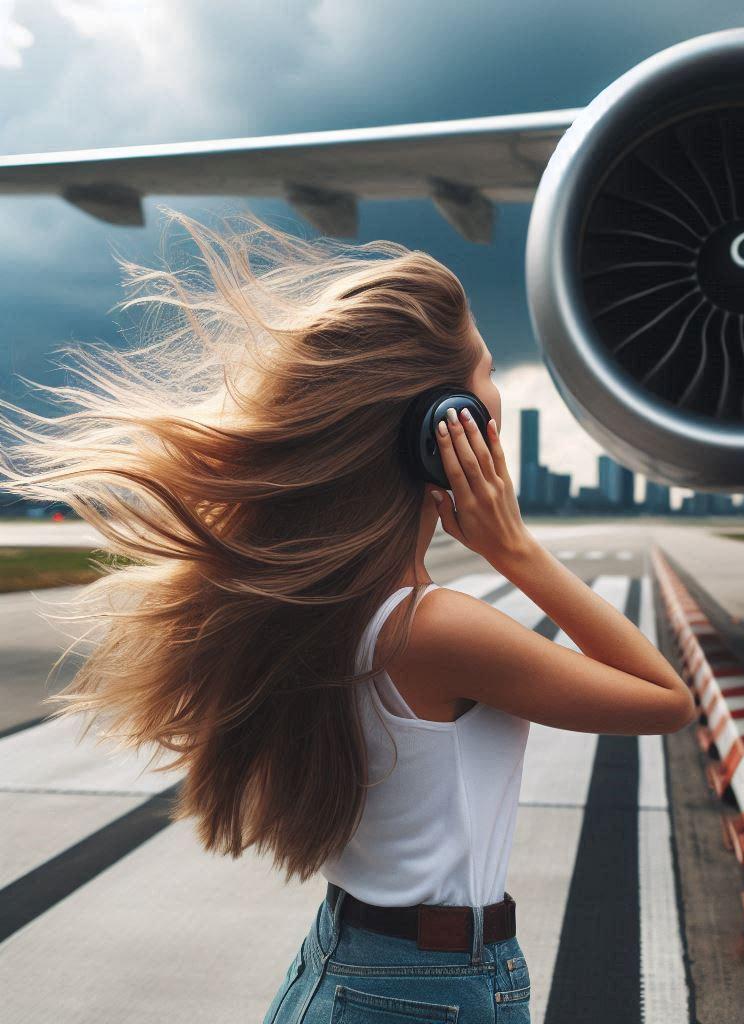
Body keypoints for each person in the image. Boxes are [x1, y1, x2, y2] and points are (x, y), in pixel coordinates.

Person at [0, 209, 695, 1023]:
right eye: (484, 367)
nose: (497, 390)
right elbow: (665, 699)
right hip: (423, 990)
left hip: (365, 969)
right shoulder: (435, 629)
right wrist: (517, 553)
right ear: (446, 427)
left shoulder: (345, 607)